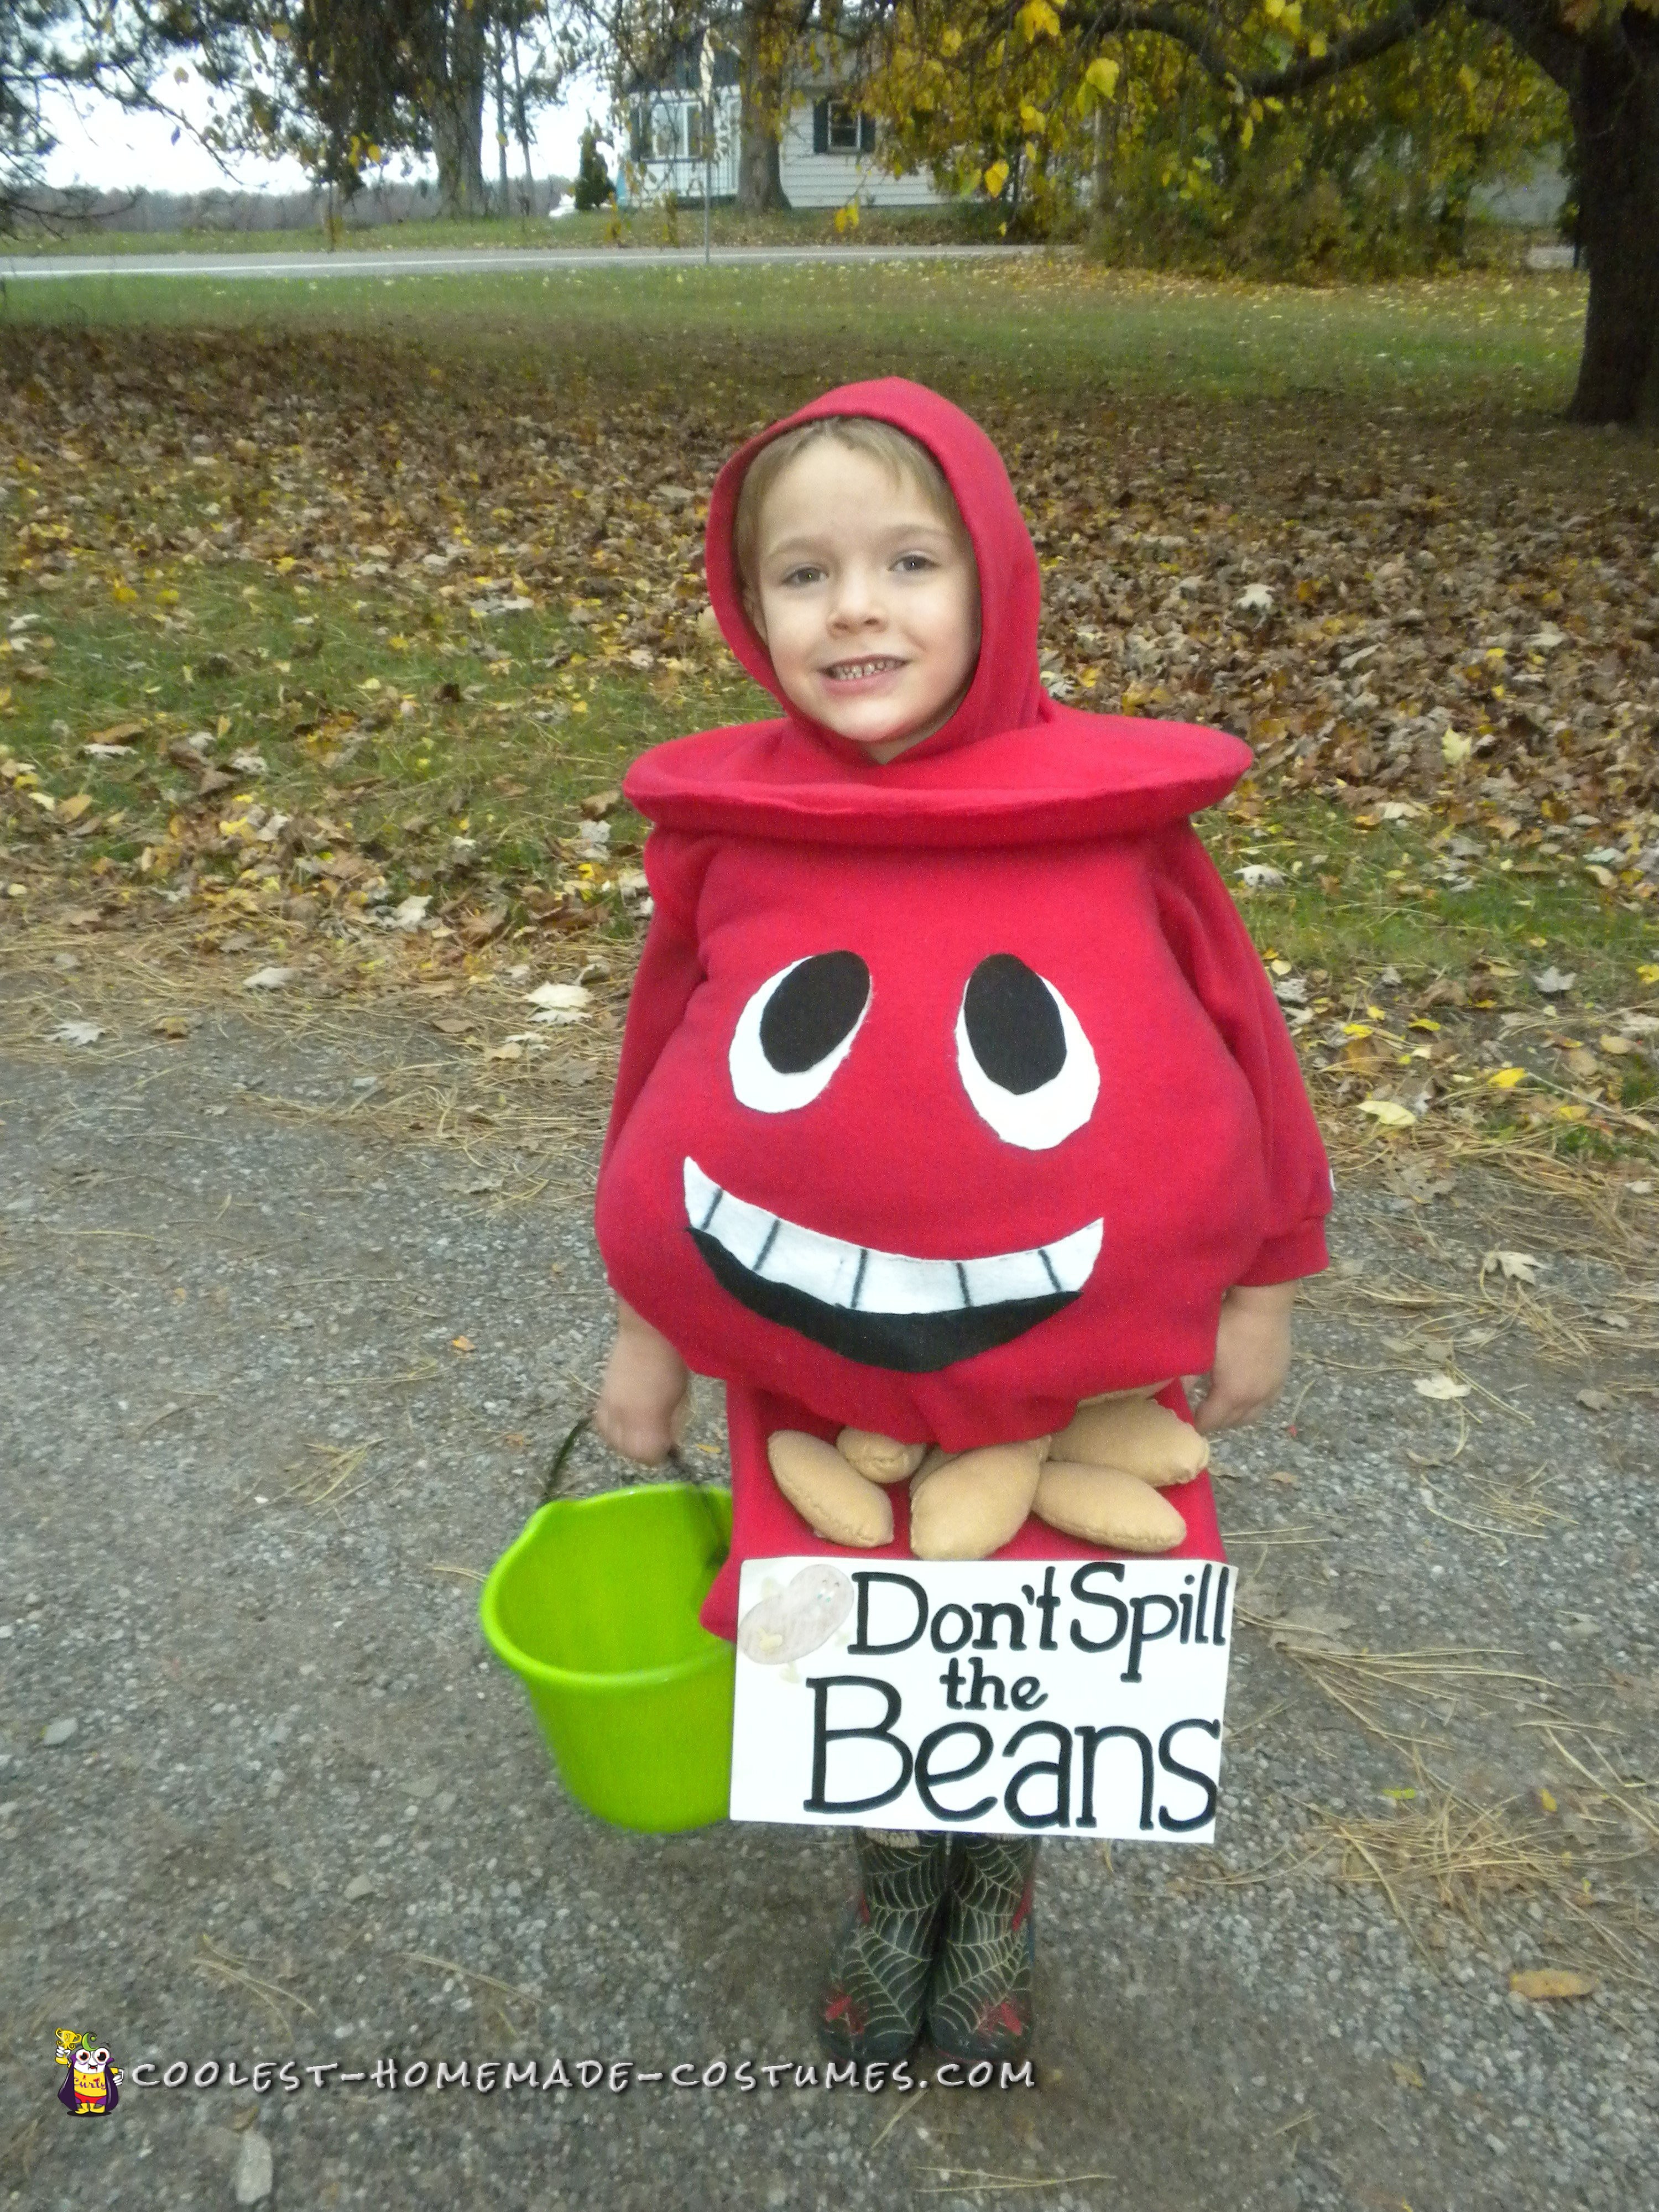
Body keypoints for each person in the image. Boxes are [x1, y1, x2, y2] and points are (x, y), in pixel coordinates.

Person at [589, 378, 1331, 2068]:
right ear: (745, 602)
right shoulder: (729, 842)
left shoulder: (1117, 832)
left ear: (994, 579)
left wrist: (1268, 1281)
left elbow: (1243, 1047)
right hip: (816, 1368)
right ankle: (894, 1887)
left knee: (1031, 1660)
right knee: (864, 1631)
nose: (855, 607)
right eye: (803, 574)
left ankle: (997, 1898)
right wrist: (651, 1329)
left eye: (909, 562)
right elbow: (664, 1084)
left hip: (1072, 1379)